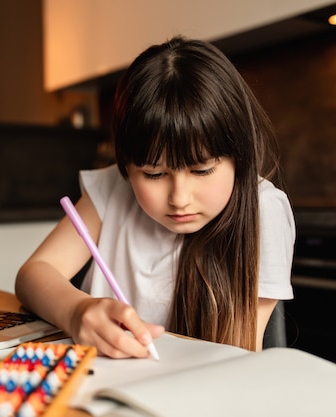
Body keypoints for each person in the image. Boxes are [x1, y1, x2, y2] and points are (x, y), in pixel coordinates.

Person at [15, 36, 295, 359]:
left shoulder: (264, 212)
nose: (179, 198)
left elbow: (239, 360)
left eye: (201, 170)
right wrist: (77, 311)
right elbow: (33, 273)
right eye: (153, 174)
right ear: (126, 168)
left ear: (239, 155)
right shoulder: (113, 190)